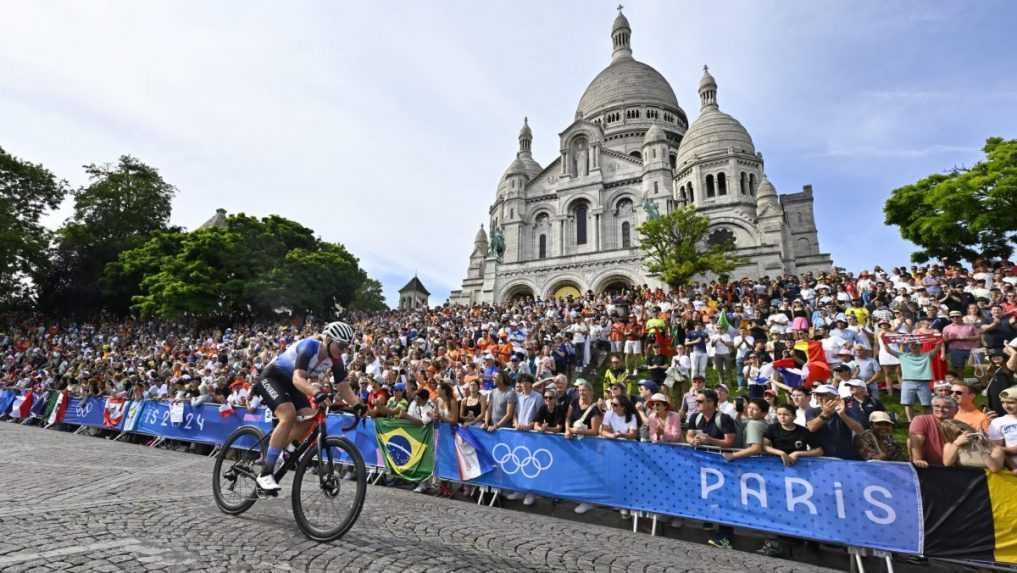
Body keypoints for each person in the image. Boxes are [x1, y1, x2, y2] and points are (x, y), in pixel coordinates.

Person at [252, 321, 358, 492]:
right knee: (288, 416)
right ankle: (265, 472)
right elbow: (297, 378)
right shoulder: (310, 346)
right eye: (341, 345)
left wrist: (358, 405)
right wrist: (315, 392)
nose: (342, 350)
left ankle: (284, 450)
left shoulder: (336, 360)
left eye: (346, 347)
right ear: (329, 340)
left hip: (294, 385)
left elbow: (343, 386)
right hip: (273, 377)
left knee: (310, 418)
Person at [881, 334, 943, 421]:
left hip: (923, 383)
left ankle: (927, 421)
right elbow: (888, 350)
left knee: (926, 404)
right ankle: (911, 421)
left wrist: (939, 339)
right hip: (907, 382)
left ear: (921, 346)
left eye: (916, 345)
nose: (914, 346)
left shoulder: (927, 355)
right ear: (909, 346)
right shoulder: (903, 355)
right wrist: (884, 341)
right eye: (912, 345)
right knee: (908, 404)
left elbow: (937, 348)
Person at [805, 384, 864, 460]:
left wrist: (843, 415)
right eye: (817, 395)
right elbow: (811, 428)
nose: (819, 397)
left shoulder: (846, 410)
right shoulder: (811, 411)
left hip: (845, 456)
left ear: (835, 397)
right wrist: (825, 414)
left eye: (823, 395)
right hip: (822, 458)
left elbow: (860, 431)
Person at [909, 396, 957, 468]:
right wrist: (917, 459)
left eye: (946, 407)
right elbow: (916, 440)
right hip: (927, 466)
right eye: (937, 406)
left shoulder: (958, 425)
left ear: (955, 410)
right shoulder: (921, 420)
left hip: (952, 466)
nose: (940, 409)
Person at [988, 385, 1017, 473]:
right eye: (1003, 402)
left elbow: (1000, 449)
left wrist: (1001, 449)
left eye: (1011, 402)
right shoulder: (997, 422)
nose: (1006, 406)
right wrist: (1013, 468)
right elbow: (997, 449)